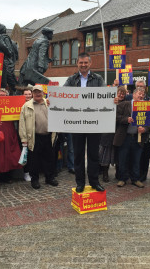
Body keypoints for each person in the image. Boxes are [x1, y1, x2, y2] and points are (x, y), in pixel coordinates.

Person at [64, 52, 105, 193]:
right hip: (76, 123)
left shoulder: (98, 79)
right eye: (81, 63)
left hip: (94, 123)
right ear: (77, 63)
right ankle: (80, 183)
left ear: (90, 63)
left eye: (85, 63)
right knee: (78, 155)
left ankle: (94, 182)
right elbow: (61, 95)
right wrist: (52, 99)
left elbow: (105, 96)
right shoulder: (71, 80)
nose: (83, 65)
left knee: (94, 154)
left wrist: (113, 100)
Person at [19, 85, 58, 189]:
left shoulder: (49, 103)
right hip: (34, 137)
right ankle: (34, 180)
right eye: (35, 92)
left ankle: (49, 178)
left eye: (39, 92)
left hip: (49, 136)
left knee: (49, 159)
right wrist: (24, 139)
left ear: (43, 93)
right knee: (34, 161)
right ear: (32, 93)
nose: (37, 94)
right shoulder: (26, 106)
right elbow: (22, 124)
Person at [113, 87, 149, 188]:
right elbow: (115, 116)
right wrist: (126, 119)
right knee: (123, 159)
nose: (141, 96)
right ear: (133, 95)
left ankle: (135, 179)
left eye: (143, 95)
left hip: (138, 137)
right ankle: (122, 179)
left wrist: (145, 129)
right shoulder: (124, 104)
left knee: (136, 160)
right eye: (139, 94)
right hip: (125, 137)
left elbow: (149, 122)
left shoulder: (146, 107)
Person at [0, 88, 22, 185]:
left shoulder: (12, 104)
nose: (2, 97)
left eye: (4, 95)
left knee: (9, 155)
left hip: (9, 132)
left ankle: (7, 177)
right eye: (0, 96)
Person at [99, 86, 126, 182]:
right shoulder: (108, 102)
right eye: (119, 93)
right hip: (108, 133)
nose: (121, 95)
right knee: (106, 155)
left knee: (118, 155)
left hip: (119, 133)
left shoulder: (126, 104)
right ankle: (105, 174)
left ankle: (118, 174)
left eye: (123, 93)